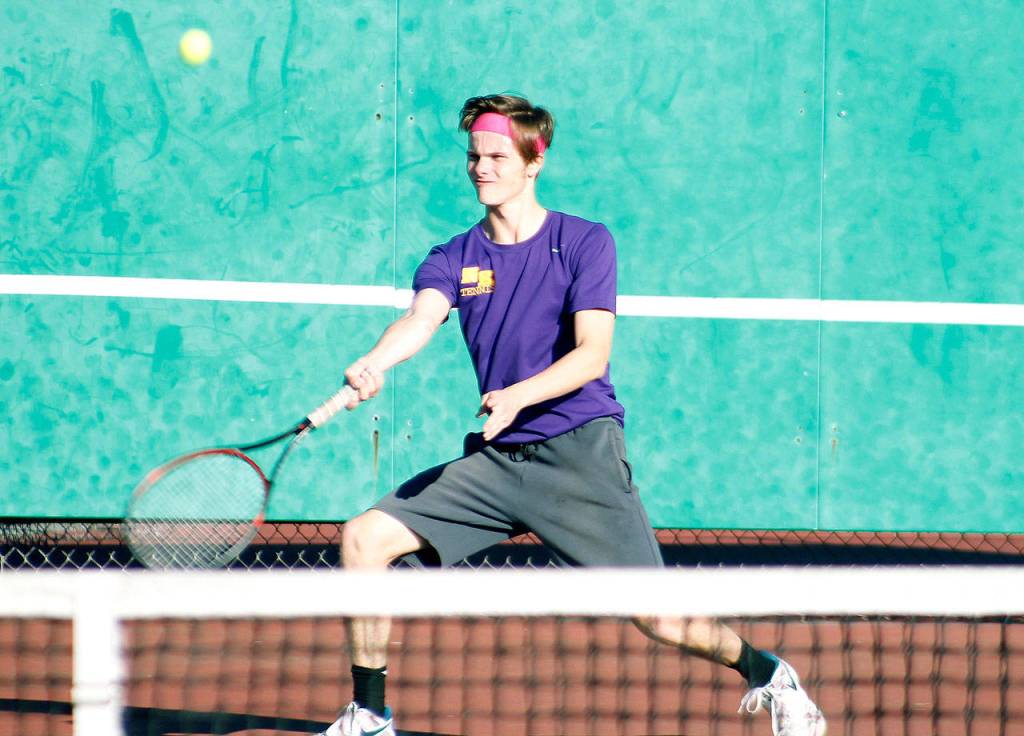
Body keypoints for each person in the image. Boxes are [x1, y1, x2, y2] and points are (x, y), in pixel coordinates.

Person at [316, 94, 826, 736]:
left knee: (658, 617)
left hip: (579, 453)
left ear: (534, 161)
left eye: (497, 155)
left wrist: (521, 395)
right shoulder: (454, 256)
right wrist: (374, 362)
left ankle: (766, 671)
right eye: (474, 155)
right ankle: (369, 713)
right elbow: (421, 317)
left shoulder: (583, 242)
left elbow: (592, 356)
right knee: (363, 539)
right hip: (500, 461)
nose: (481, 167)